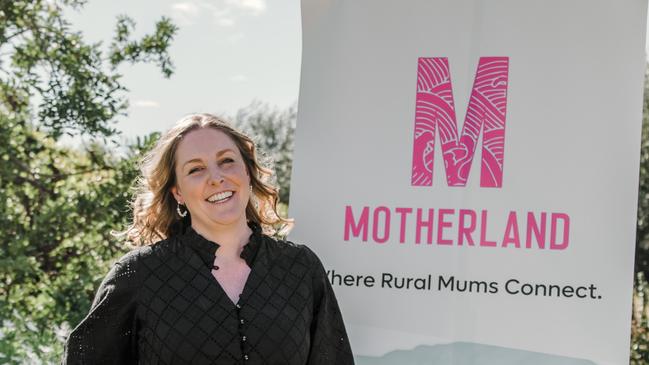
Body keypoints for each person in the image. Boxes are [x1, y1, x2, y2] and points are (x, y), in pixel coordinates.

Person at [62, 113, 354, 364]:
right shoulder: (137, 275)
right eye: (196, 169)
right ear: (177, 192)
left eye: (226, 161)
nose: (216, 177)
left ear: (248, 172)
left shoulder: (300, 268)